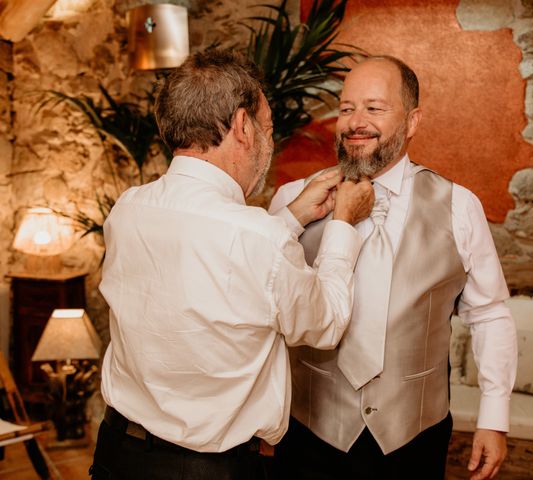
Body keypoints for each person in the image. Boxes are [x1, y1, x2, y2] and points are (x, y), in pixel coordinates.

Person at [89, 49, 374, 480]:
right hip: (205, 470)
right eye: (268, 128)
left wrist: (294, 215)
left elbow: (217, 266)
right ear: (243, 126)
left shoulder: (129, 208)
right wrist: (343, 226)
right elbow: (326, 322)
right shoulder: (258, 238)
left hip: (117, 454)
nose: (269, 142)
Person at [268, 55, 518, 480]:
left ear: (413, 121)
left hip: (413, 438)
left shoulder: (459, 206)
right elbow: (266, 311)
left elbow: (490, 313)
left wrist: (494, 418)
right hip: (308, 434)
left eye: (374, 108)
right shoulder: (293, 199)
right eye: (346, 108)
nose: (355, 122)